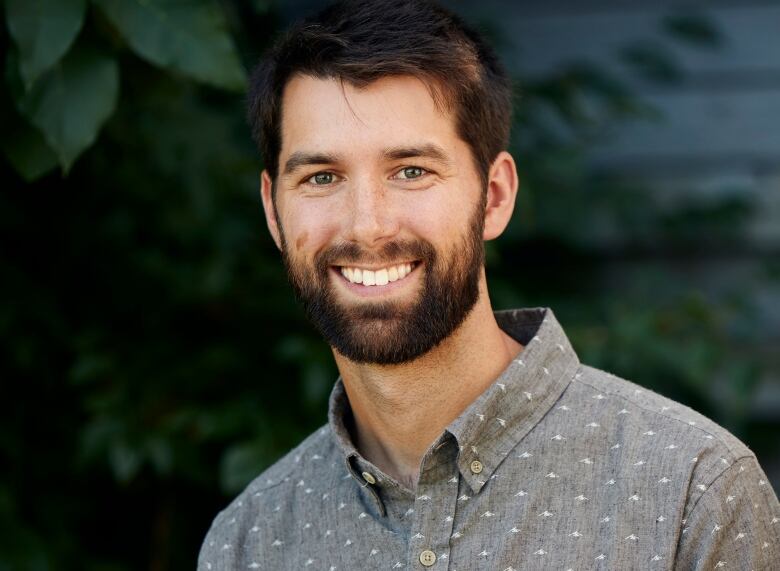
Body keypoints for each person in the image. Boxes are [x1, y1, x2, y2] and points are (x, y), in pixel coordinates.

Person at [199, 1, 779, 568]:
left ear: (494, 197)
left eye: (411, 172)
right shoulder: (248, 542)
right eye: (322, 177)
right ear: (275, 214)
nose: (367, 226)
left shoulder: (691, 493)